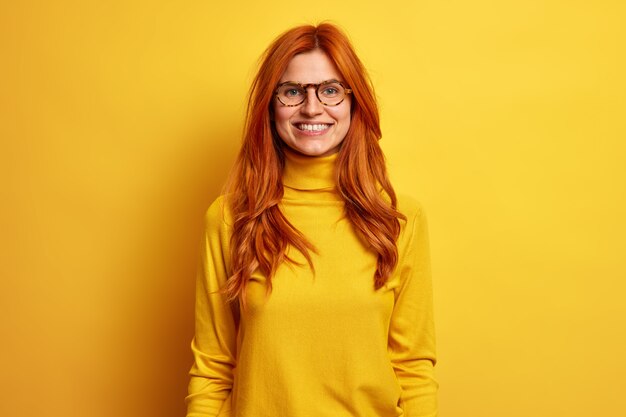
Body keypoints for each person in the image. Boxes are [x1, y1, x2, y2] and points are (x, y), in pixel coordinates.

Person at [186, 23, 438, 417]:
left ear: (354, 102)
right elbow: (213, 368)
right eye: (292, 92)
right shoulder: (230, 218)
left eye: (330, 90)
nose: (312, 107)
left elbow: (414, 368)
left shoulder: (400, 220)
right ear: (270, 106)